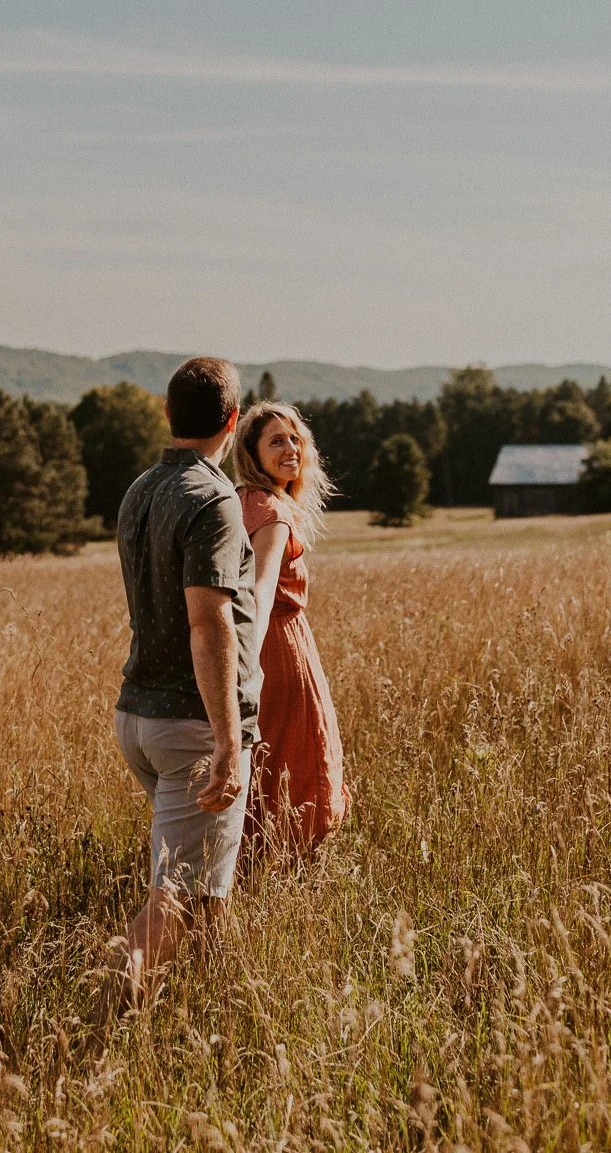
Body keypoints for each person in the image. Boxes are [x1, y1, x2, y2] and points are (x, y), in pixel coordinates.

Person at [104, 356, 261, 1013]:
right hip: (190, 727)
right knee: (172, 893)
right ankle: (97, 1027)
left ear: (169, 417)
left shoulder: (140, 489)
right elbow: (209, 622)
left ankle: (221, 1004)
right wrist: (227, 740)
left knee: (204, 882)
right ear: (232, 421)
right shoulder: (213, 497)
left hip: (137, 715)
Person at [232, 402, 350, 856]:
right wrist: (250, 665)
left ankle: (253, 857)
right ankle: (287, 855)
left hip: (261, 644)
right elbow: (260, 591)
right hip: (276, 648)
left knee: (264, 756)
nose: (290, 449)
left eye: (296, 439)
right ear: (250, 452)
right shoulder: (273, 512)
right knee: (296, 755)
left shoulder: (240, 502)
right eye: (276, 441)